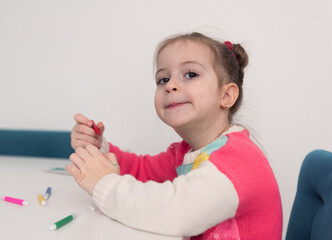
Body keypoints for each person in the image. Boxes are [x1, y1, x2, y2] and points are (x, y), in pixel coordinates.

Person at [66, 32, 283, 240]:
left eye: (190, 74)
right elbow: (141, 170)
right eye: (162, 79)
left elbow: (176, 212)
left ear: (226, 95)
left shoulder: (237, 160)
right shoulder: (185, 152)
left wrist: (105, 184)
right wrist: (99, 149)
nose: (170, 85)